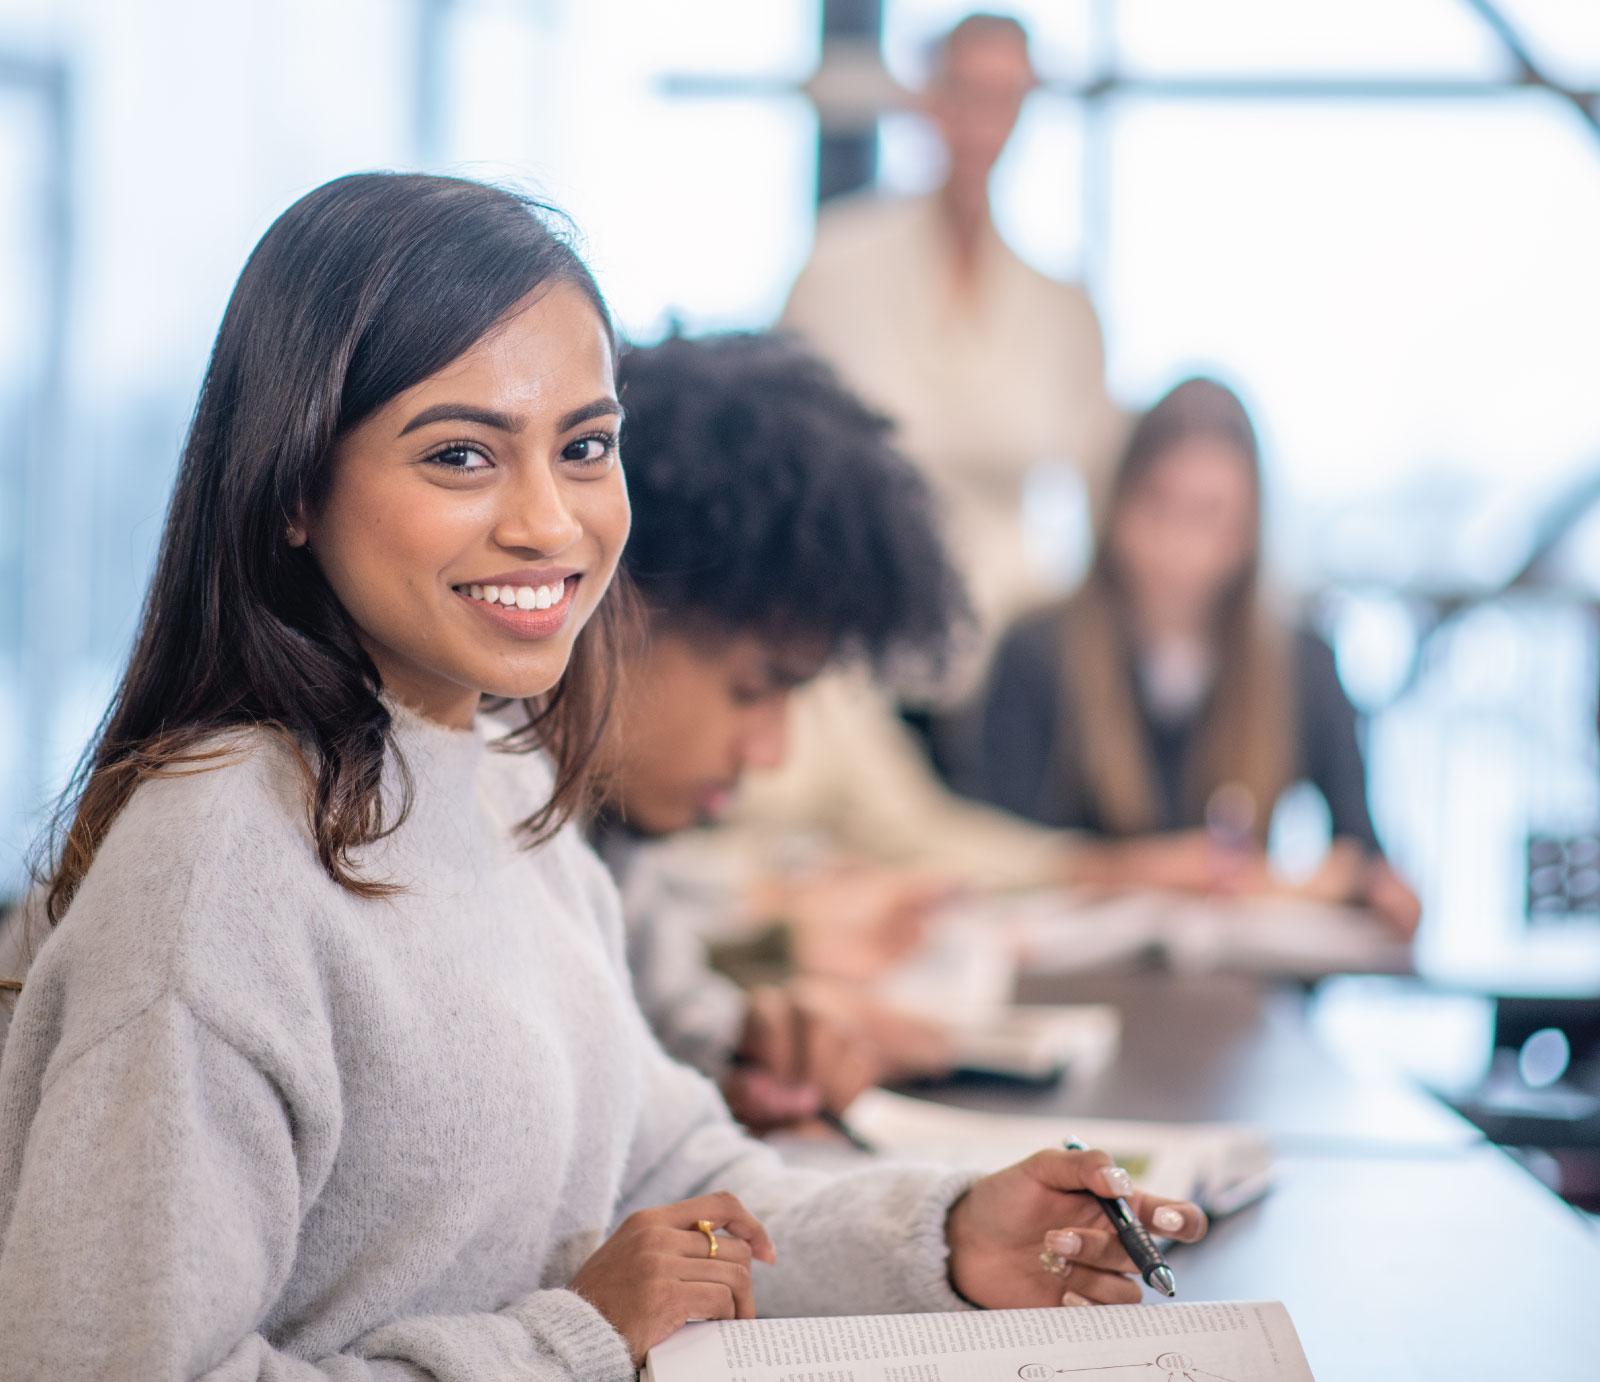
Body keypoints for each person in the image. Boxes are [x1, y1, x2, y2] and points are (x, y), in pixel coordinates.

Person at [0, 173, 1205, 1380]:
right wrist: (570, 1340)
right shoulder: (214, 871)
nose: (550, 523)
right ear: (296, 488)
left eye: (584, 446)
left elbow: (675, 1176)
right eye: (462, 454)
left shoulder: (506, 786)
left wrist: (947, 1236)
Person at [594, 332, 976, 1132]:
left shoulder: (614, 847)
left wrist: (734, 1058)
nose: (770, 753)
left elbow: (666, 1017)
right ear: (617, 602)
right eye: (753, 690)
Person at [975, 377, 1422, 936]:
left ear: (1247, 530)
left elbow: (1363, 855)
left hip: (1247, 995)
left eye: (1208, 514)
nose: (1177, 545)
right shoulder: (1037, 653)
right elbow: (996, 854)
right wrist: (1148, 873)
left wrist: (1370, 888)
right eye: (1158, 506)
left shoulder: (1300, 660)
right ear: (1116, 508)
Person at [782, 11, 1123, 647]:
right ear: (929, 100)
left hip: (1010, 646)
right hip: (856, 627)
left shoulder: (1064, 310)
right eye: (968, 91)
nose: (983, 122)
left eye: (1006, 97)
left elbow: (1106, 494)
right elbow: (788, 464)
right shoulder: (836, 268)